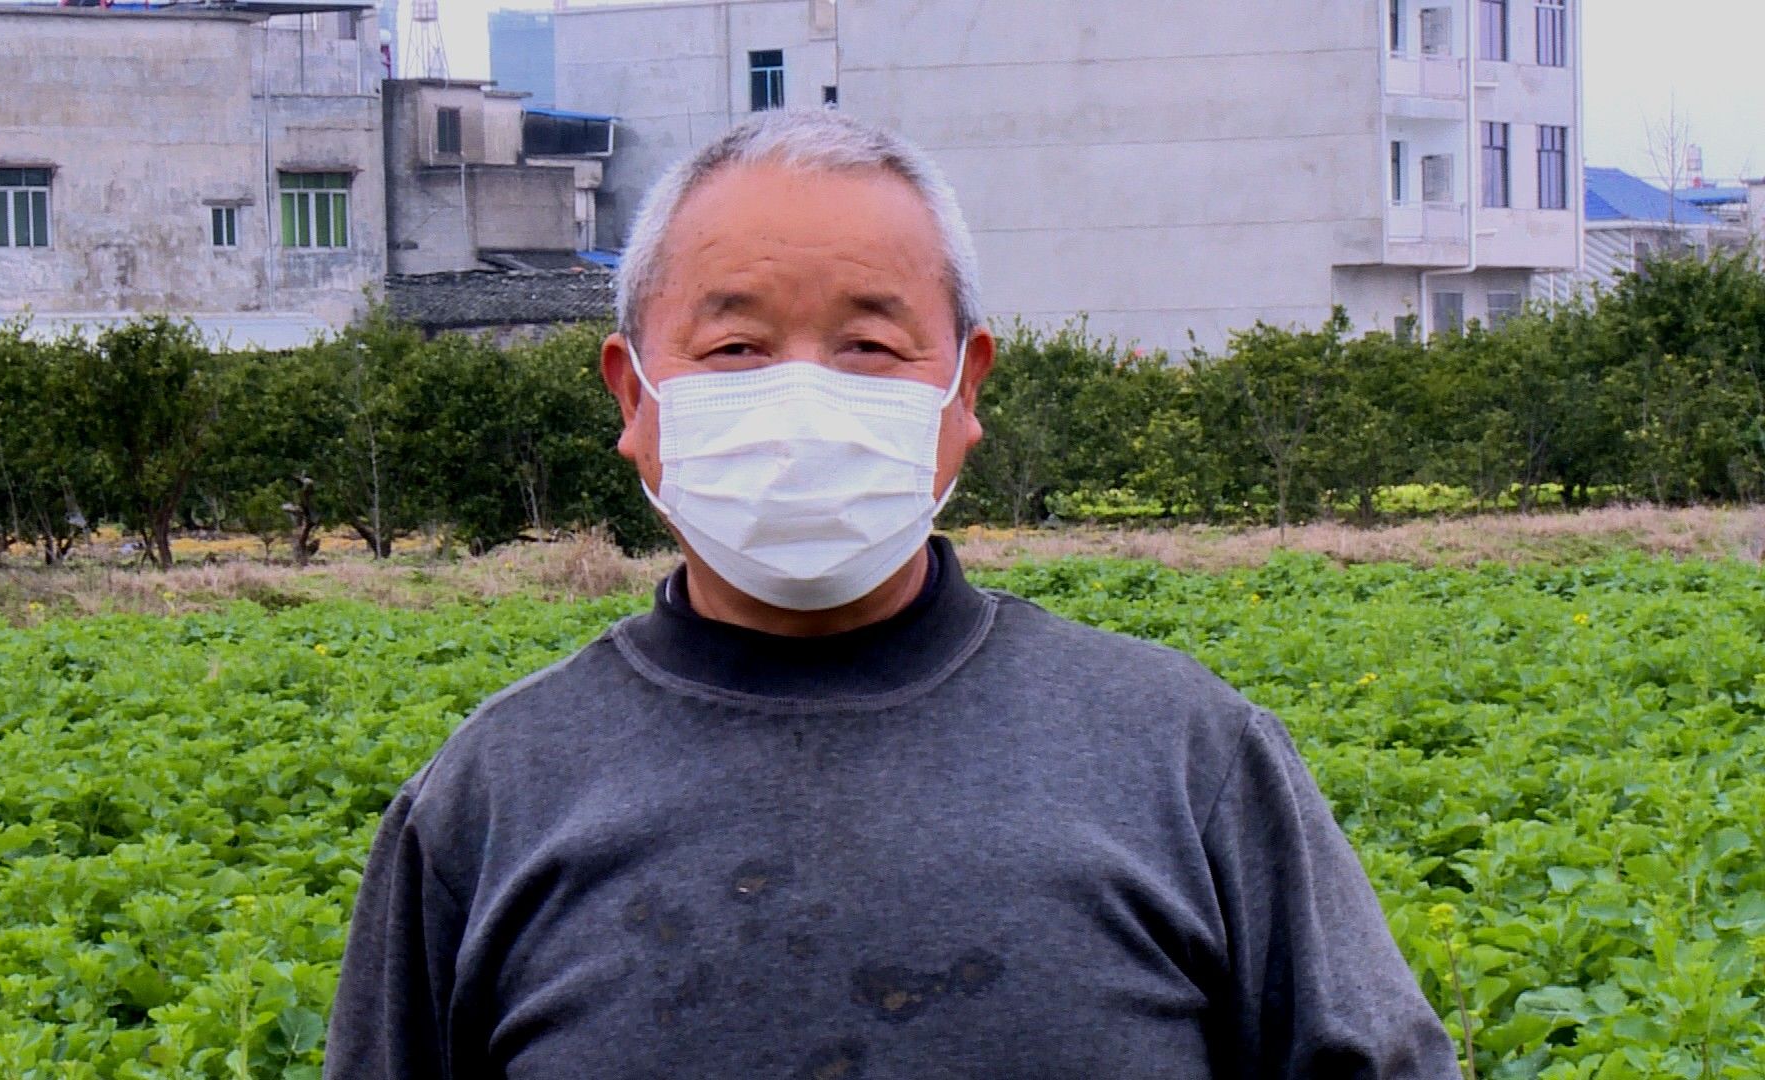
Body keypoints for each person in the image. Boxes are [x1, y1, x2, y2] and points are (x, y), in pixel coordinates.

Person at [324, 109, 1459, 1079]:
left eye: (869, 344)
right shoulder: (490, 801)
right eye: (734, 348)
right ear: (634, 396)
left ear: (965, 389)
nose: (802, 400)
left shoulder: (1186, 760)